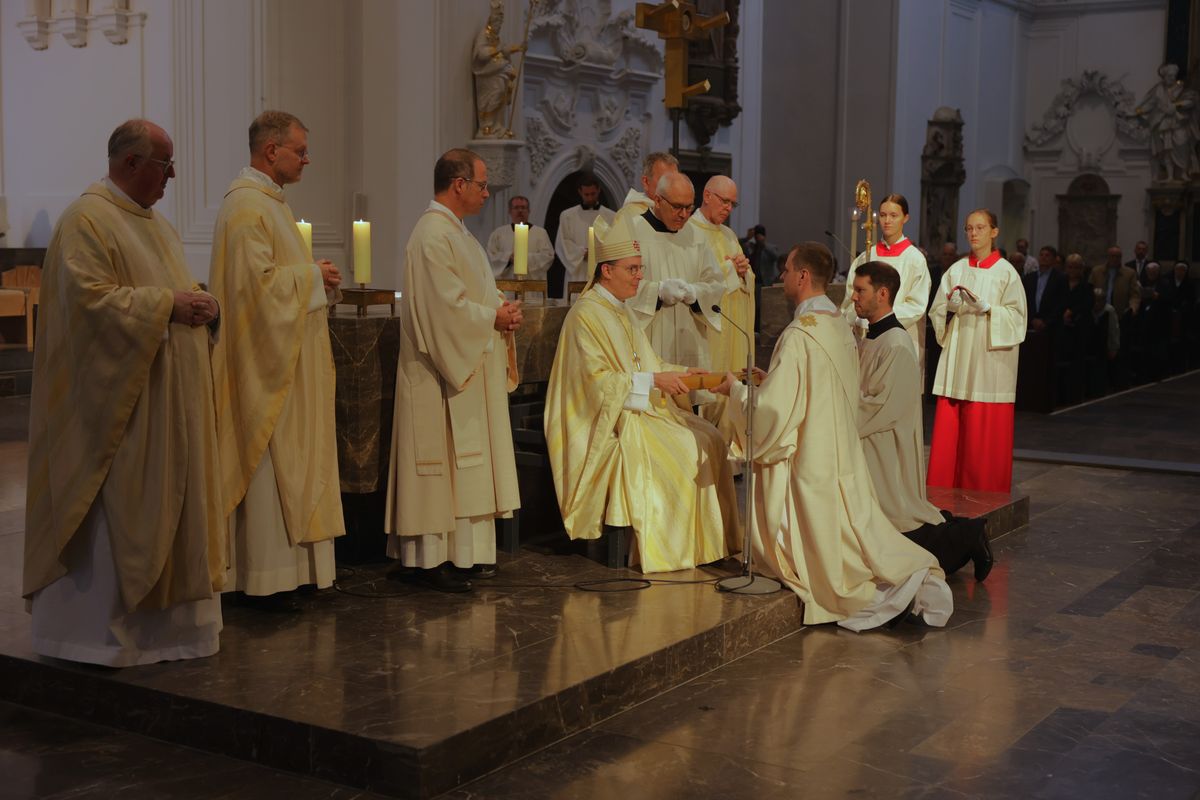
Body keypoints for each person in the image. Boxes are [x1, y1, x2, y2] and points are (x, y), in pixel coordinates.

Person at [24, 119, 225, 666]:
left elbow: (168, 287)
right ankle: (96, 640)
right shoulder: (86, 221)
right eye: (166, 165)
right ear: (131, 164)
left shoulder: (156, 226)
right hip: (117, 417)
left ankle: (172, 636)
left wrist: (202, 303)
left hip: (167, 403)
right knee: (115, 523)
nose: (174, 175)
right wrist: (168, 306)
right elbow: (88, 305)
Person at [714, 242, 952, 631]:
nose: (783, 276)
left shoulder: (799, 334)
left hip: (809, 458)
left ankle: (890, 592)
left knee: (829, 558)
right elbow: (816, 388)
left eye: (787, 269)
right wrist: (769, 381)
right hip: (841, 453)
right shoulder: (838, 326)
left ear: (804, 276)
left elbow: (773, 413)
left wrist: (738, 393)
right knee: (852, 537)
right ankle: (905, 584)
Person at [544, 216, 739, 572]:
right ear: (606, 271)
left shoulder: (620, 309)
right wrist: (653, 382)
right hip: (604, 419)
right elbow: (593, 382)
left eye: (640, 269)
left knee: (710, 437)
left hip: (637, 406)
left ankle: (705, 545)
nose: (639, 276)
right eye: (632, 269)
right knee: (683, 449)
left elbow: (646, 361)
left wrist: (682, 373)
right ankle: (672, 551)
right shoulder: (585, 314)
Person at [210, 111, 345, 613]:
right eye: (300, 150)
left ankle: (295, 574)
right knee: (270, 466)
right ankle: (263, 578)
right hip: (264, 367)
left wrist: (314, 280)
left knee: (294, 463)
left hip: (286, 360)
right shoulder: (247, 207)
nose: (307, 158)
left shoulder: (269, 205)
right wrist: (311, 276)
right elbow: (254, 288)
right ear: (272, 150)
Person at [385, 148, 523, 593]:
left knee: (464, 466)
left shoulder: (458, 233)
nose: (487, 193)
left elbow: (473, 292)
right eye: (482, 185)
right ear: (458, 184)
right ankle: (430, 559)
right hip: (438, 376)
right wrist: (491, 319)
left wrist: (500, 306)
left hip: (465, 367)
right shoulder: (431, 235)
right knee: (441, 464)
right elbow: (443, 309)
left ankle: (466, 553)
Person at [851, 261, 993, 581]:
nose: (854, 298)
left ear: (883, 294)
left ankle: (970, 535)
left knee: (898, 526)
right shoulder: (871, 338)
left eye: (860, 291)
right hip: (868, 445)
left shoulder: (897, 344)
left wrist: (837, 412)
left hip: (884, 449)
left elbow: (882, 406)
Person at [927, 209, 1027, 493]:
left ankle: (984, 489)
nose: (973, 234)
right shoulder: (957, 270)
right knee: (953, 420)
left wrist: (989, 309)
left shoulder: (1006, 272)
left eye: (980, 228)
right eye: (969, 228)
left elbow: (1018, 319)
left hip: (989, 358)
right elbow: (936, 309)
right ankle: (944, 488)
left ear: (994, 232)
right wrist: (952, 306)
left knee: (984, 428)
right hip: (960, 354)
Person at [627, 171, 732, 404]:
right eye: (677, 207)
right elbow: (619, 286)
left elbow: (716, 283)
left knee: (689, 414)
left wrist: (696, 294)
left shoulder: (694, 234)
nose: (684, 215)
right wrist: (656, 292)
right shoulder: (633, 230)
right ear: (657, 200)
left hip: (688, 338)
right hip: (651, 338)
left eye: (688, 207)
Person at [687, 175, 754, 441]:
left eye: (732, 204)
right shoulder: (689, 231)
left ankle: (729, 449)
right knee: (710, 382)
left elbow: (745, 279)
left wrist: (744, 272)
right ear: (707, 196)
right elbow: (692, 282)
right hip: (707, 327)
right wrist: (729, 269)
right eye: (724, 201)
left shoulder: (728, 234)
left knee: (733, 379)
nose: (728, 208)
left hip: (733, 325)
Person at [838, 194, 931, 372]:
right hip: (866, 341)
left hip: (901, 339)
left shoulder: (915, 259)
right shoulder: (866, 256)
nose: (887, 220)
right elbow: (850, 299)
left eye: (893, 216)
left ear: (906, 218)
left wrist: (879, 319)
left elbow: (916, 305)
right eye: (882, 215)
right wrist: (858, 317)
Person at [554, 173, 615, 301]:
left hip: (600, 270)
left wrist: (597, 252)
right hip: (577, 270)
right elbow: (562, 243)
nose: (590, 197)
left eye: (593, 194)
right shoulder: (567, 216)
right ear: (580, 192)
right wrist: (582, 252)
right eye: (586, 194)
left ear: (598, 190)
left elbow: (614, 242)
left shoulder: (610, 216)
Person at [472, 0, 523, 138]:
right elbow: (480, 54)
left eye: (501, 23)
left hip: (499, 72)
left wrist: (518, 48)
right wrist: (498, 49)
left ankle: (496, 126)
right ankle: (486, 126)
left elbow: (504, 49)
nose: (499, 26)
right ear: (492, 20)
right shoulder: (484, 35)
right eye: (498, 22)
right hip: (488, 74)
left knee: (501, 96)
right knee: (494, 95)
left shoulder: (495, 37)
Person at [486, 195, 554, 280]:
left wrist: (523, 258)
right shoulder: (499, 233)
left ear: (528, 211)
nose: (520, 210)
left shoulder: (540, 233)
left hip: (531, 284)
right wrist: (508, 257)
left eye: (523, 207)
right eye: (516, 207)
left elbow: (548, 256)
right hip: (507, 283)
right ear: (510, 211)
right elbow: (490, 255)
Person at [614, 151, 678, 223]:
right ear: (646, 182)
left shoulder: (680, 215)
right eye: (665, 180)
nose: (672, 186)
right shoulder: (630, 217)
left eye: (675, 181)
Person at [1023, 245, 1068, 333]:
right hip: (1030, 324)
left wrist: (1046, 321)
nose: (1043, 258)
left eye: (1047, 255)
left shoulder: (1061, 278)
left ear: (1054, 259)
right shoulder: (1029, 278)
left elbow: (1061, 303)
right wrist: (1032, 319)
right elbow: (1025, 300)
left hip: (1052, 326)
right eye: (1041, 255)